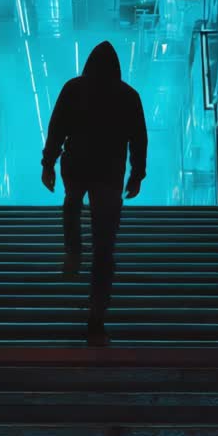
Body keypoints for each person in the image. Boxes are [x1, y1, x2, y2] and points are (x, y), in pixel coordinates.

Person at [41, 41, 147, 347]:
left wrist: (48, 163)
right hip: (109, 174)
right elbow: (139, 139)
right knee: (104, 246)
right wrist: (136, 174)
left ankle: (73, 250)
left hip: (76, 165)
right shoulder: (129, 96)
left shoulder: (73, 88)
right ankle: (97, 318)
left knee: (72, 202)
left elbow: (56, 128)